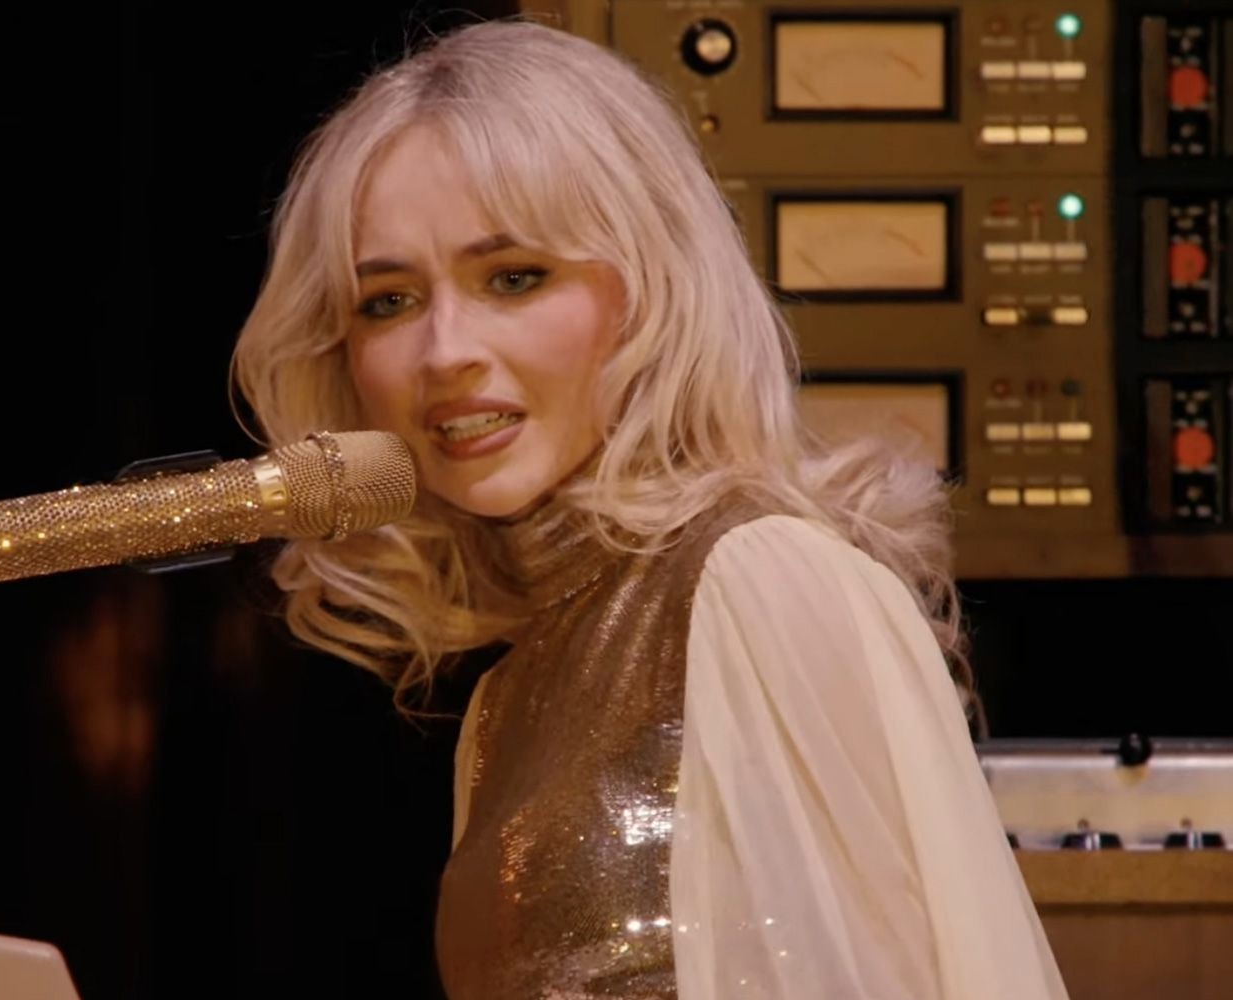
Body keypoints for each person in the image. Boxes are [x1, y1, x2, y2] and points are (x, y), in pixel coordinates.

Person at [231, 19, 1068, 1000]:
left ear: (652, 289)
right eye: (388, 301)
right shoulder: (507, 699)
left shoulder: (759, 581)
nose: (445, 349)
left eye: (514, 278)